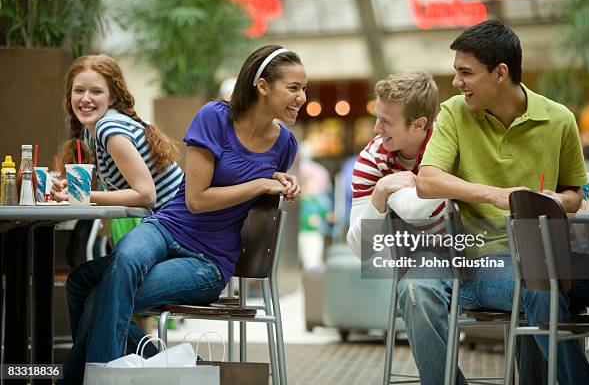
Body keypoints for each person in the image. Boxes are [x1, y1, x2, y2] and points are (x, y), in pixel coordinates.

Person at [58, 45, 306, 384]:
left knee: (100, 294)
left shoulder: (285, 144)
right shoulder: (215, 118)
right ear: (262, 86)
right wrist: (260, 183)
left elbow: (258, 192)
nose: (302, 97)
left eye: (303, 89)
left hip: (208, 262)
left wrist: (275, 183)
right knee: (90, 276)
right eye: (293, 88)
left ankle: (92, 379)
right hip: (167, 227)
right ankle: (161, 366)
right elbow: (197, 200)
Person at [413, 19, 589, 384]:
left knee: (549, 280)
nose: (457, 82)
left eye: (466, 73)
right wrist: (500, 196)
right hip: (484, 261)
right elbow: (427, 181)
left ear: (500, 72)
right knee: (540, 287)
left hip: (552, 253)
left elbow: (577, 193)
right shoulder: (454, 113)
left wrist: (556, 199)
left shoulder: (559, 119)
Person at [53, 54, 183, 211]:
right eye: (79, 90)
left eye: (96, 91)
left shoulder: (108, 128)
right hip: (165, 219)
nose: (86, 98)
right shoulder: (91, 131)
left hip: (180, 222)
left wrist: (83, 195)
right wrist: (72, 187)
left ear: (112, 97)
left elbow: (147, 195)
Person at [346, 71, 445, 260]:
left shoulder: (450, 143)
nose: (376, 128)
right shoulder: (372, 158)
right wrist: (380, 191)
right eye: (377, 117)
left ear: (418, 124)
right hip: (420, 262)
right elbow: (361, 250)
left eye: (386, 122)